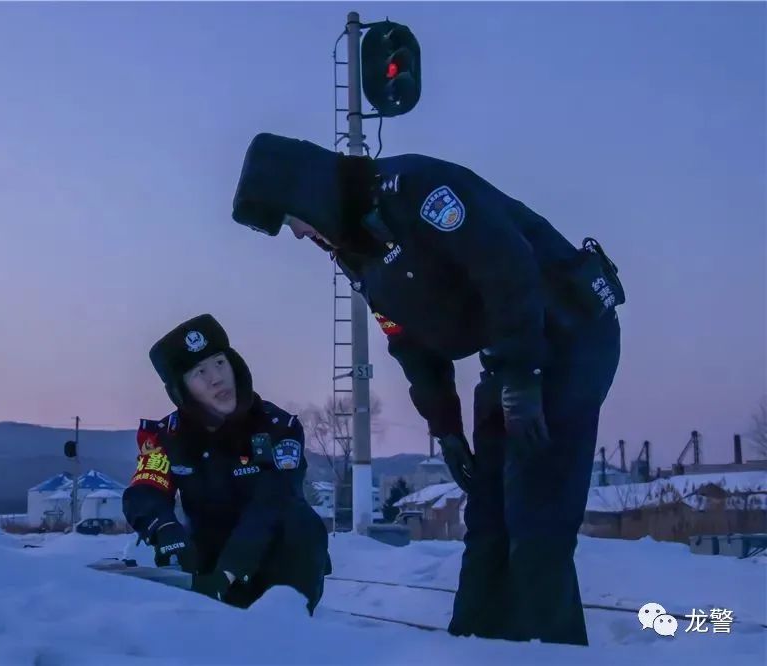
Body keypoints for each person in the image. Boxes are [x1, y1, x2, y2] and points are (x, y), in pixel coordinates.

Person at [229, 133, 624, 646]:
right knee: (488, 520)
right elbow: (408, 342)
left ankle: (554, 651)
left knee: (535, 517)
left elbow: (507, 269)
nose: (300, 235)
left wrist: (523, 380)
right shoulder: (358, 250)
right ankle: (475, 649)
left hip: (567, 336)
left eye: (292, 220)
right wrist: (447, 429)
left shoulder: (417, 189)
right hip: (509, 357)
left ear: (307, 192)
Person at [122, 313, 331, 615]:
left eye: (220, 363)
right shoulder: (167, 436)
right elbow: (145, 489)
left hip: (274, 563)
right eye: (199, 372)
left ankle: (289, 625)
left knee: (302, 522)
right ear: (181, 390)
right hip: (208, 561)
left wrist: (229, 572)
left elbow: (274, 503)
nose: (216, 378)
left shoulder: (278, 428)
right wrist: (165, 530)